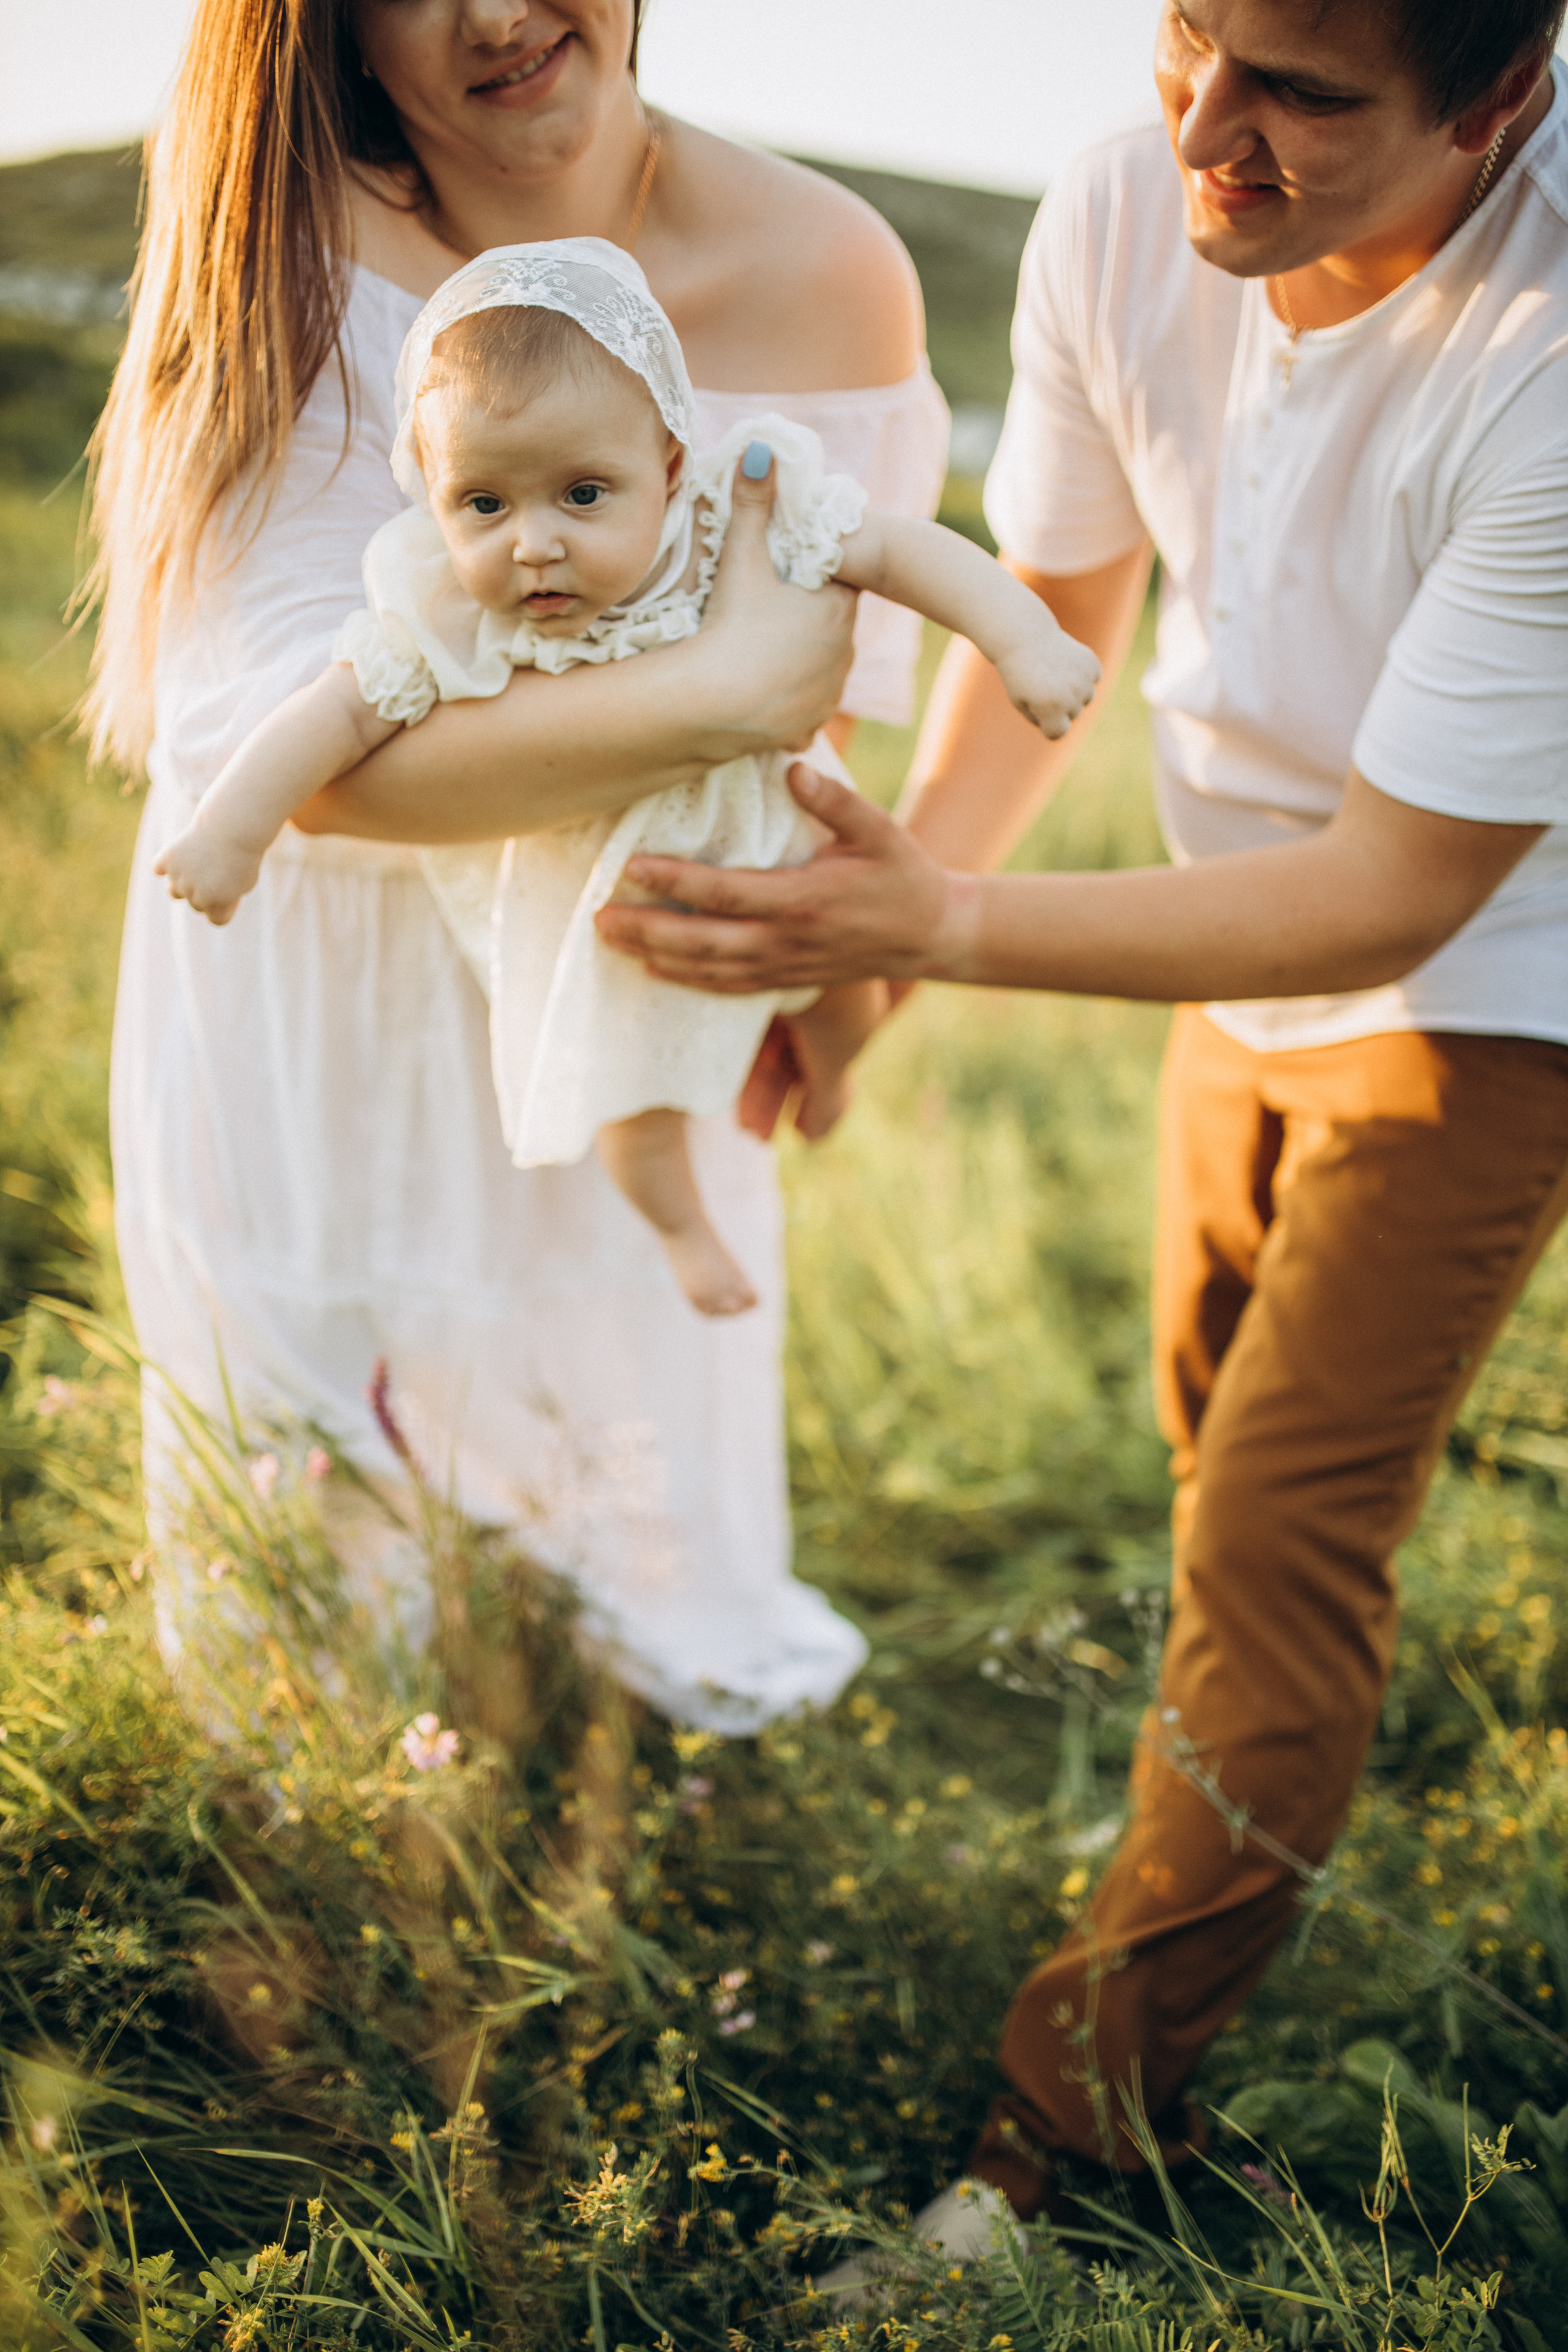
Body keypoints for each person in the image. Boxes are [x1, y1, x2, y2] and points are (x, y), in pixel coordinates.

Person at [594, 0, 1568, 2236]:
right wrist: (873, 956)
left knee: (1275, 1551)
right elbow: (1053, 611)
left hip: (1489, 969)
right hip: (1243, 908)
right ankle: (1221, 1861)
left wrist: (928, 921)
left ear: (1498, 99)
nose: (1203, 139)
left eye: (1302, 99)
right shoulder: (1129, 198)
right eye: (1189, 44)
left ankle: (1060, 2156)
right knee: (1208, 1436)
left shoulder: (1549, 349)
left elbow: (1403, 891)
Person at [91, 0, 951, 1732]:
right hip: (319, 1004)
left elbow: (820, 744)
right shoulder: (287, 223)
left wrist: (845, 980)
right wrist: (720, 687)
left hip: (626, 980)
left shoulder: (827, 273)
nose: (493, 14)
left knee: (630, 1538)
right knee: (324, 1633)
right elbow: (291, 761)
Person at [151, 239, 1098, 1319]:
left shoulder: (728, 519)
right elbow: (336, 711)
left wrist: (1022, 641)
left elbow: (900, 551)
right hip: (620, 901)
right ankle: (684, 1231)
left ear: (672, 467)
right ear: (432, 498)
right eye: (484, 505)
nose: (535, 545)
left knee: (846, 990)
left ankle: (828, 1075)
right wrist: (234, 830)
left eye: (583, 493)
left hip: (788, 845)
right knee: (626, 1098)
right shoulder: (445, 612)